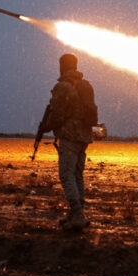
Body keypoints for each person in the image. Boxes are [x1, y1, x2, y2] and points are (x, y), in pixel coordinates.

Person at [35, 53, 96, 231]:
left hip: (69, 136)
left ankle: (77, 215)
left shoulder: (63, 87)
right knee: (77, 176)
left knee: (66, 175)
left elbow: (57, 115)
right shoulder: (86, 85)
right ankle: (77, 213)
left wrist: (45, 128)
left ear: (63, 66)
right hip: (83, 137)